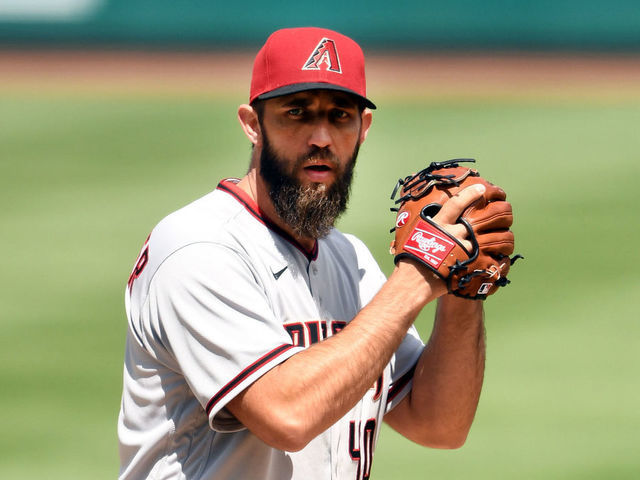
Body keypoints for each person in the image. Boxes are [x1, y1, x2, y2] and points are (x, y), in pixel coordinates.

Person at [118, 26, 500, 480]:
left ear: (363, 130)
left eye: (340, 116)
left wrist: (462, 286)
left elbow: (439, 424)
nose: (321, 136)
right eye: (296, 113)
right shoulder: (198, 247)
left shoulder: (349, 259)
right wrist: (418, 275)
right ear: (252, 124)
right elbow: (287, 416)